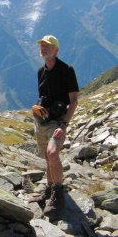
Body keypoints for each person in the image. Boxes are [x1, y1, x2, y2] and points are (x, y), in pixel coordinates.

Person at [31, 35, 79, 219]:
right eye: (42, 46)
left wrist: (64, 125)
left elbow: (73, 101)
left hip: (58, 122)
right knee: (46, 156)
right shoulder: (40, 72)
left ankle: (58, 194)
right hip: (42, 121)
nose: (43, 48)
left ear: (56, 50)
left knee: (52, 153)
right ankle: (50, 188)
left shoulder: (67, 70)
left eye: (48, 46)